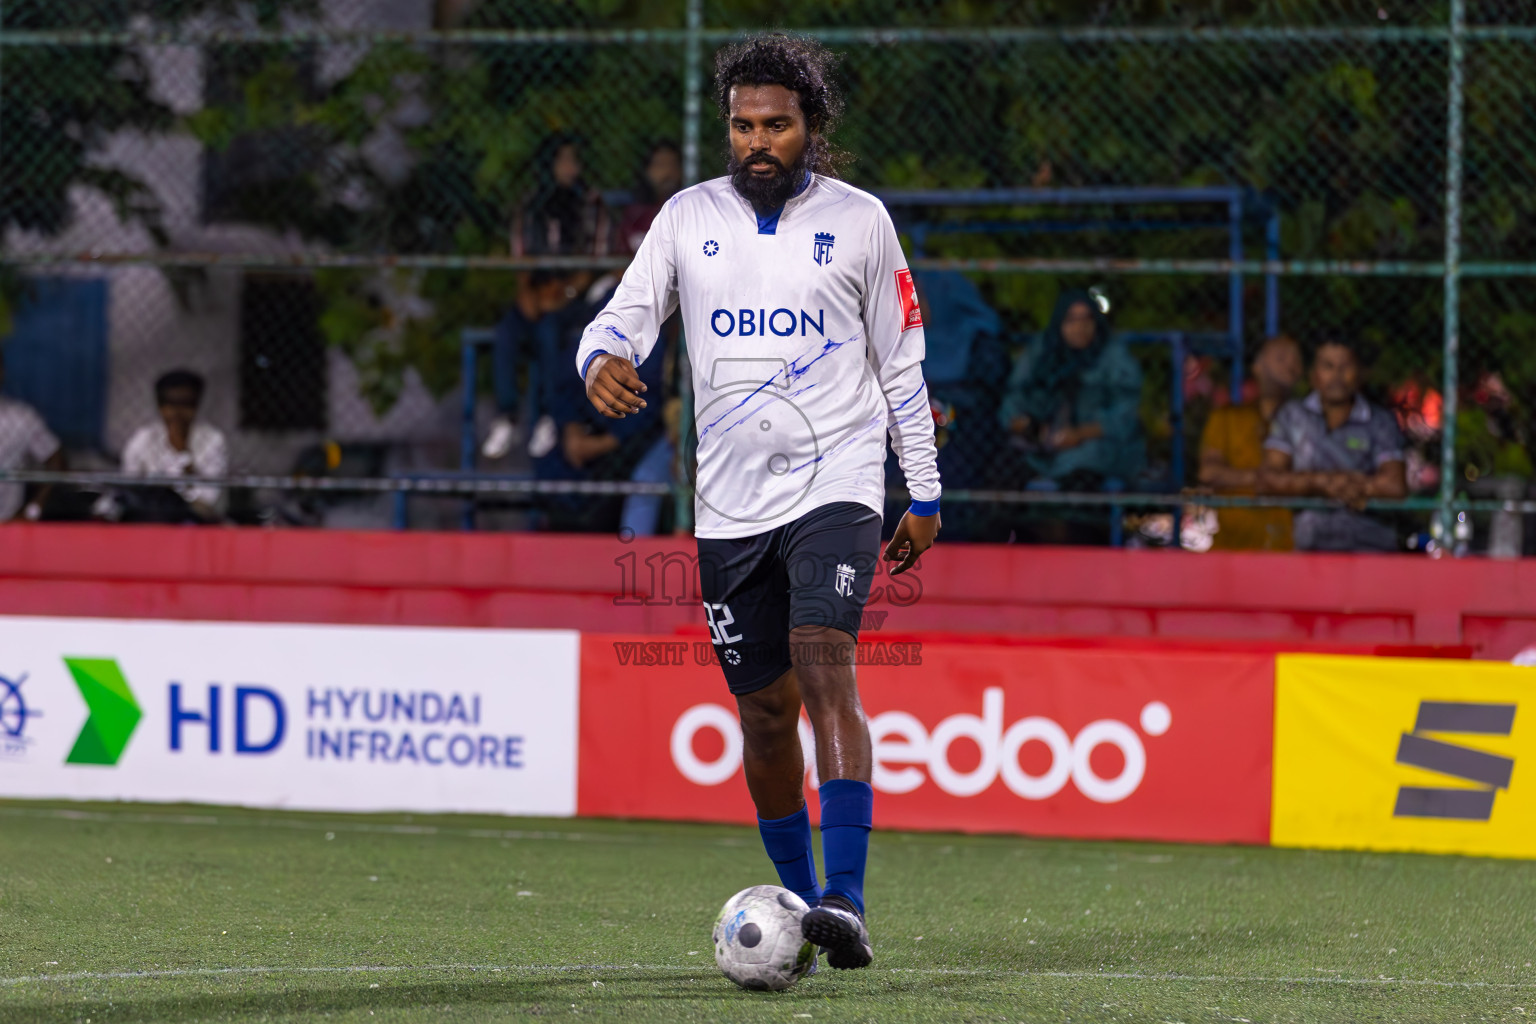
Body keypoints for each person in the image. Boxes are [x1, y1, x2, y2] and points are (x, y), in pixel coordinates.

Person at [576, 34, 941, 971]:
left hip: (840, 484)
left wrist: (924, 489)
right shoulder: (685, 219)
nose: (758, 142)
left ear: (810, 128)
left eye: (776, 125)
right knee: (766, 713)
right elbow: (625, 314)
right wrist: (602, 359)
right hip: (729, 507)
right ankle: (795, 898)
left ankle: (844, 898)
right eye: (743, 126)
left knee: (826, 662)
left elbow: (901, 364)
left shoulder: (861, 222)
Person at [1261, 333, 1407, 551]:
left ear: (1359, 373)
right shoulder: (1291, 416)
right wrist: (1321, 483)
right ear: (1313, 375)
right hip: (1308, 546)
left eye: (1345, 366)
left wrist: (1355, 487)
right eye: (1328, 366)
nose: (1337, 376)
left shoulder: (1380, 421)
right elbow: (1269, 479)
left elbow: (1395, 484)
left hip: (1370, 547)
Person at [997, 289, 1145, 488]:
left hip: (1095, 446)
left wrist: (1080, 434)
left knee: (1084, 465)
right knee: (1005, 464)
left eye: (1087, 319)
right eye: (1071, 320)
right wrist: (1033, 428)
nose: (1079, 327)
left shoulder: (1112, 356)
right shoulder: (1043, 352)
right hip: (1042, 445)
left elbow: (1125, 416)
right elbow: (1013, 401)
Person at [1198, 333, 1303, 550]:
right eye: (1281, 358)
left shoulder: (1310, 425)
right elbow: (1208, 473)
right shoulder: (1226, 418)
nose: (1290, 366)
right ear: (1257, 366)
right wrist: (1266, 479)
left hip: (1290, 549)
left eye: (1296, 360)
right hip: (1233, 547)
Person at [117, 369, 228, 523]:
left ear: (196, 405)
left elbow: (208, 500)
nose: (178, 412)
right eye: (171, 403)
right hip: (148, 517)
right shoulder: (144, 437)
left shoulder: (212, 439)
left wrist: (181, 451)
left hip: (194, 519)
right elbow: (129, 483)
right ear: (160, 406)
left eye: (186, 404)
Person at [0, 348, 65, 522]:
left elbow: (56, 462)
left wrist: (32, 510)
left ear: (2, 372)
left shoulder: (22, 418)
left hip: (7, 524)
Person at [618, 140, 683, 256]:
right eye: (661, 165)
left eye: (673, 164)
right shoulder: (634, 215)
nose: (668, 171)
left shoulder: (689, 211)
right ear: (647, 171)